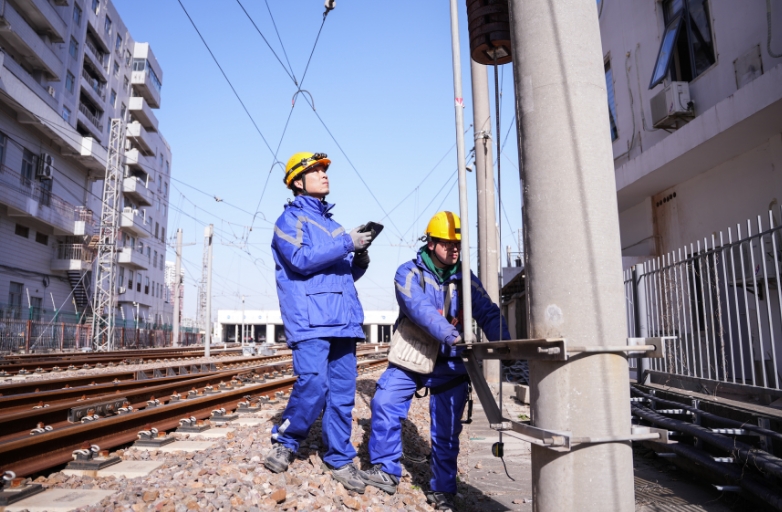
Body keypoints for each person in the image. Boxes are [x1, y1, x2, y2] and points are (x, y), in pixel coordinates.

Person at [361, 211, 510, 511]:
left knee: (447, 430)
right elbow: (420, 309)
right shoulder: (407, 273)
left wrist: (505, 345)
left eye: (458, 244)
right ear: (431, 243)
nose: (454, 249)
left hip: (450, 365)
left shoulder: (464, 278)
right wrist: (451, 334)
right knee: (385, 402)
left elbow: (488, 311)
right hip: (412, 357)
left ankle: (443, 489)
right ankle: (386, 471)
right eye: (447, 243)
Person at [264, 151, 375, 493]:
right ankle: (286, 441)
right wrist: (346, 243)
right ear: (297, 182)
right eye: (315, 171)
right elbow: (300, 260)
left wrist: (358, 260)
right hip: (310, 319)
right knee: (313, 384)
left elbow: (340, 276)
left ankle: (339, 458)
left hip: (342, 319)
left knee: (341, 395)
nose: (324, 175)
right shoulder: (289, 221)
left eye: (324, 170)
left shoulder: (334, 226)